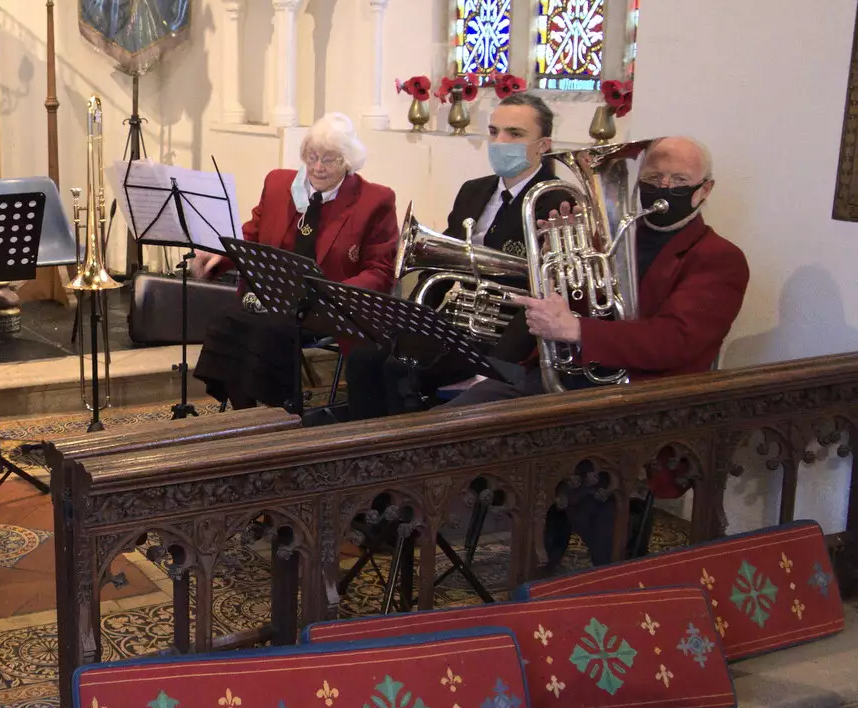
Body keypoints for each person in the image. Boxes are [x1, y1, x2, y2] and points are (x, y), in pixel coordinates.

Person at [446, 135, 749, 567]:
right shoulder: (603, 236)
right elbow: (576, 304)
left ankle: (616, 576)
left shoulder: (719, 258)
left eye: (679, 179)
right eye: (653, 177)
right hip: (566, 379)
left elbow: (676, 341)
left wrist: (576, 328)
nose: (664, 187)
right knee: (454, 422)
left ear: (705, 189)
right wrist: (555, 261)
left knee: (576, 464)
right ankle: (531, 552)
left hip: (639, 398)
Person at [344, 92, 570, 419]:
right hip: (455, 322)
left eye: (515, 134)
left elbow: (547, 291)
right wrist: (415, 320)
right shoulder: (473, 191)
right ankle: (359, 445)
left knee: (400, 369)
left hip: (502, 337)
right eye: (494, 132)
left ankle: (405, 450)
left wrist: (498, 366)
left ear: (544, 145)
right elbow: (440, 263)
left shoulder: (556, 202)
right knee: (364, 356)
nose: (500, 142)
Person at [190, 113, 399, 409]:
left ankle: (280, 413)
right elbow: (251, 237)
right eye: (311, 156)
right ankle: (244, 411)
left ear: (348, 161)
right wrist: (219, 257)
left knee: (268, 331)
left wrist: (330, 295)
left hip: (326, 307)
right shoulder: (278, 185)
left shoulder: (374, 200)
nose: (317, 167)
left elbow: (380, 271)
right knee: (227, 319)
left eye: (330, 159)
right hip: (271, 297)